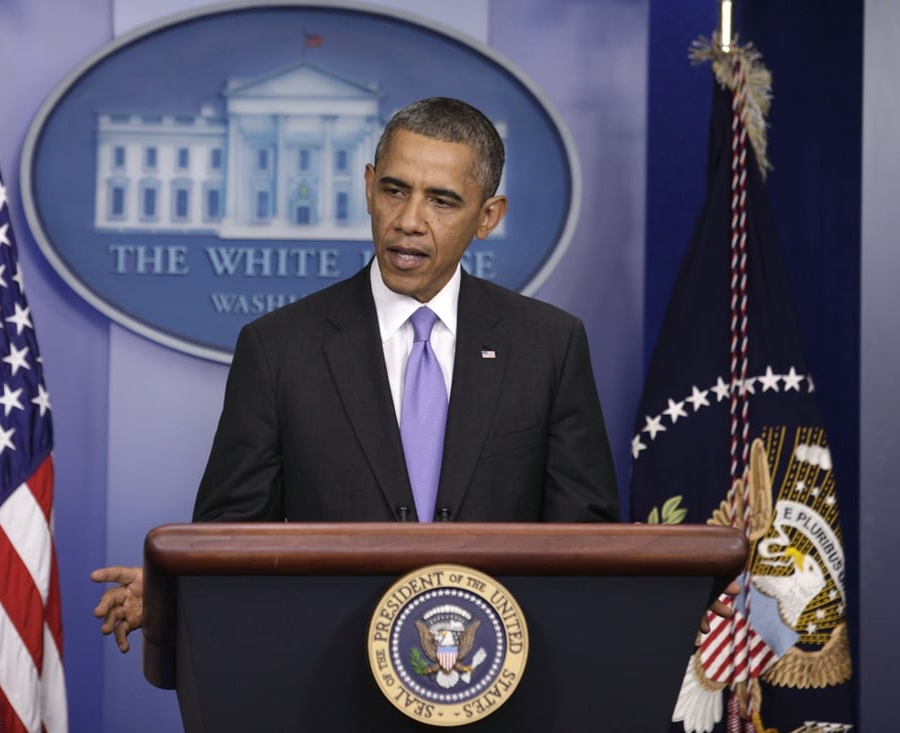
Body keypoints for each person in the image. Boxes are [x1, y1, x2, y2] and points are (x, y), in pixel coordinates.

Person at [94, 97, 726, 653]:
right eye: (395, 190)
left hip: (503, 683)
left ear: (488, 216)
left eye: (442, 200)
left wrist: (660, 596)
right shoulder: (279, 348)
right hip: (325, 682)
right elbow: (228, 538)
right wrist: (178, 588)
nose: (409, 220)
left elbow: (581, 542)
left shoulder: (549, 346)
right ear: (369, 186)